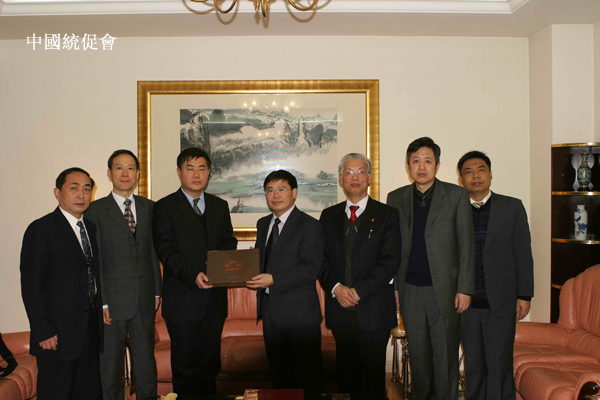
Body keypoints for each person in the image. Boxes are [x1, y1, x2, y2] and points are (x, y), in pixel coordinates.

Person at [387, 137, 475, 400]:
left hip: (446, 290)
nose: (421, 166)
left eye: (427, 161)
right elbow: (393, 248)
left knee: (445, 355)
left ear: (437, 165)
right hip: (410, 289)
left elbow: (467, 245)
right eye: (416, 161)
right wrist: (395, 287)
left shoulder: (457, 195)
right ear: (408, 166)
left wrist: (465, 289)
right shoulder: (396, 198)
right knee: (418, 355)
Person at [152, 147, 237, 395]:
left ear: (209, 172)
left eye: (202, 168)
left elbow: (229, 240)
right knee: (185, 367)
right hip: (183, 299)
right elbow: (165, 249)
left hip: (214, 300)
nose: (196, 174)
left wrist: (218, 264)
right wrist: (193, 274)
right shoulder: (164, 207)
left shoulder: (220, 206)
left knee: (209, 366)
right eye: (190, 169)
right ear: (179, 172)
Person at [319, 153, 401, 399]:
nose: (354, 177)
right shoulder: (328, 216)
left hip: (374, 309)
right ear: (341, 179)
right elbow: (320, 261)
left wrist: (358, 292)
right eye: (349, 173)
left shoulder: (388, 214)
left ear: (369, 177)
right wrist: (336, 288)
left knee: (374, 381)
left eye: (360, 172)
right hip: (340, 309)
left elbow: (390, 261)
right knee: (345, 379)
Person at [85, 150, 162, 400]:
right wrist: (102, 301)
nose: (125, 173)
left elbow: (152, 252)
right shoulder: (95, 211)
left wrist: (157, 290)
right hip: (111, 301)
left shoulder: (150, 208)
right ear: (109, 174)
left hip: (144, 297)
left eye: (130, 168)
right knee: (110, 365)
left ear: (138, 173)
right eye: (119, 168)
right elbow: (95, 261)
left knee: (146, 362)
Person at [20, 167, 103, 400]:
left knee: (88, 393)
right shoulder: (41, 229)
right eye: (74, 188)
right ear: (57, 193)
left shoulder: (90, 228)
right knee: (57, 393)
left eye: (87, 189)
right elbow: (31, 286)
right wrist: (43, 330)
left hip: (89, 331)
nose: (81, 195)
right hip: (56, 335)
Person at [457, 151, 534, 400]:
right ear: (461, 179)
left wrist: (524, 294)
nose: (475, 175)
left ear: (490, 174)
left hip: (502, 299)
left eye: (481, 169)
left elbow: (523, 252)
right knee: (474, 364)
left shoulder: (511, 207)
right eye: (468, 171)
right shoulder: (454, 209)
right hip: (466, 301)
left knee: (500, 363)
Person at [246, 170, 325, 393]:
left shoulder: (309, 225)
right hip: (270, 314)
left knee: (309, 381)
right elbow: (266, 259)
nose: (275, 195)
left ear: (294, 192)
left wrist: (273, 279)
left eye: (282, 189)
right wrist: (248, 265)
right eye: (270, 190)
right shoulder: (263, 223)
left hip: (300, 316)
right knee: (280, 381)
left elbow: (310, 268)